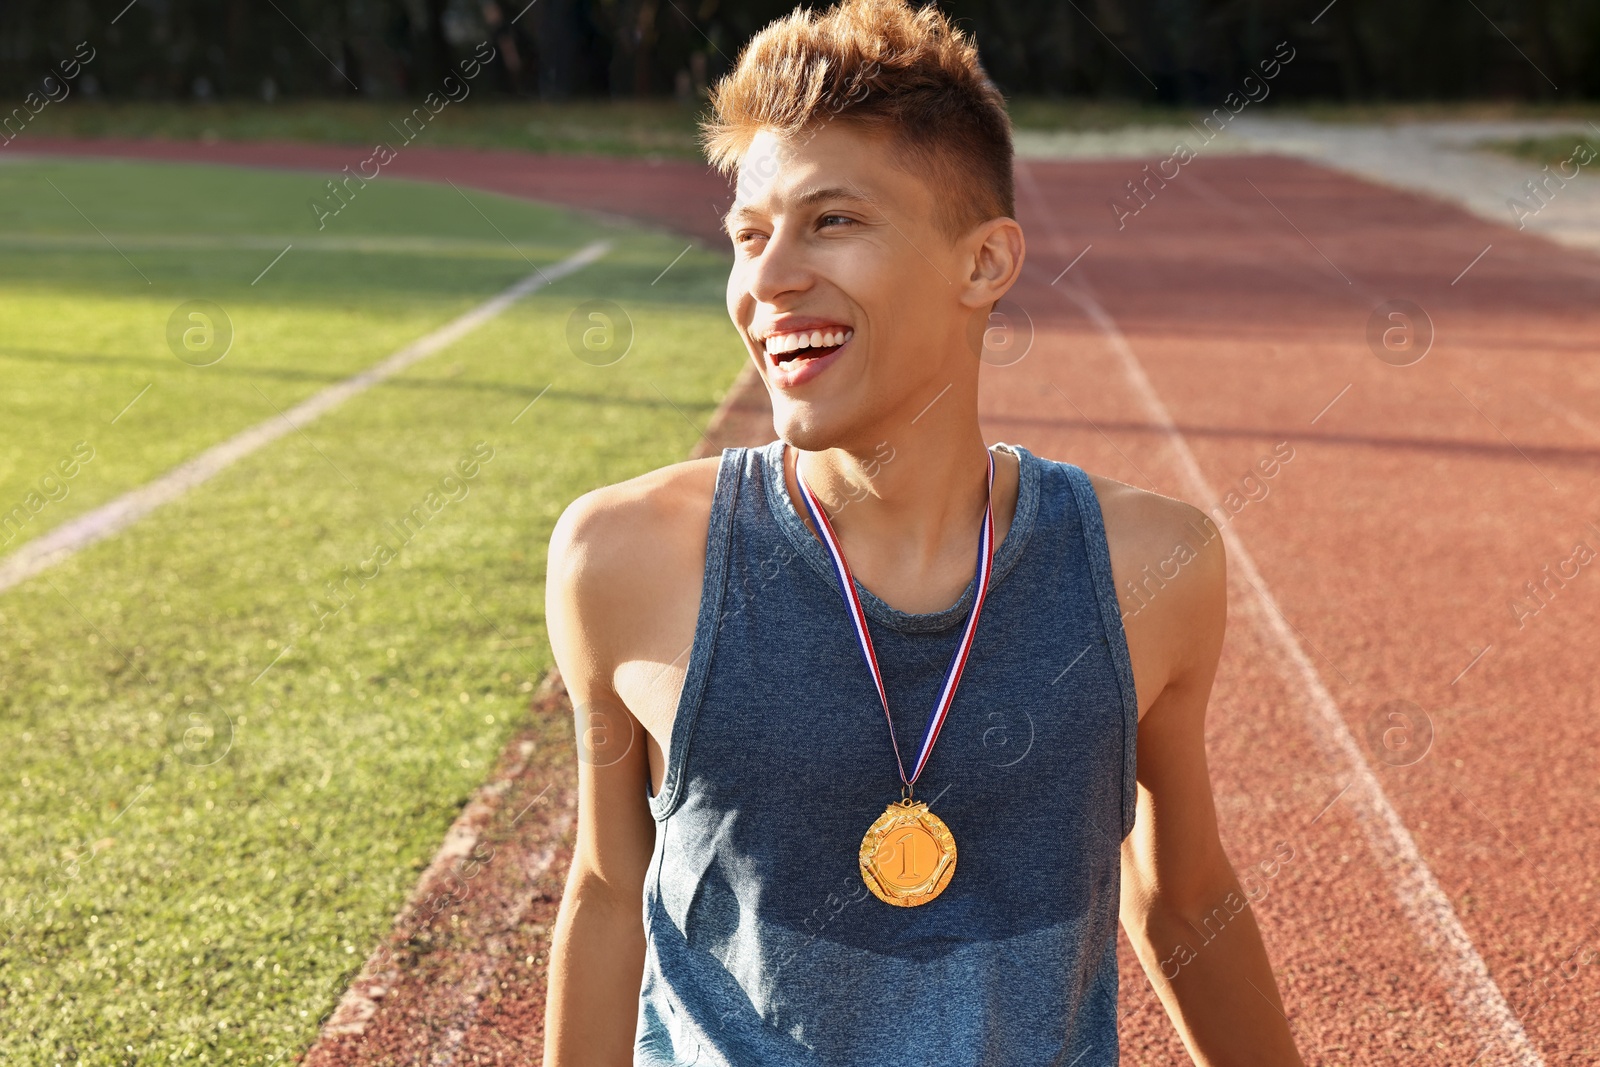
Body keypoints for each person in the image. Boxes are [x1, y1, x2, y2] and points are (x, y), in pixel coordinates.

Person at [542, 0, 1306, 1063]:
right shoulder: (624, 559)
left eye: (833, 221)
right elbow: (606, 888)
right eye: (749, 236)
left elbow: (1182, 899)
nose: (766, 281)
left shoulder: (1148, 567)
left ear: (984, 264)